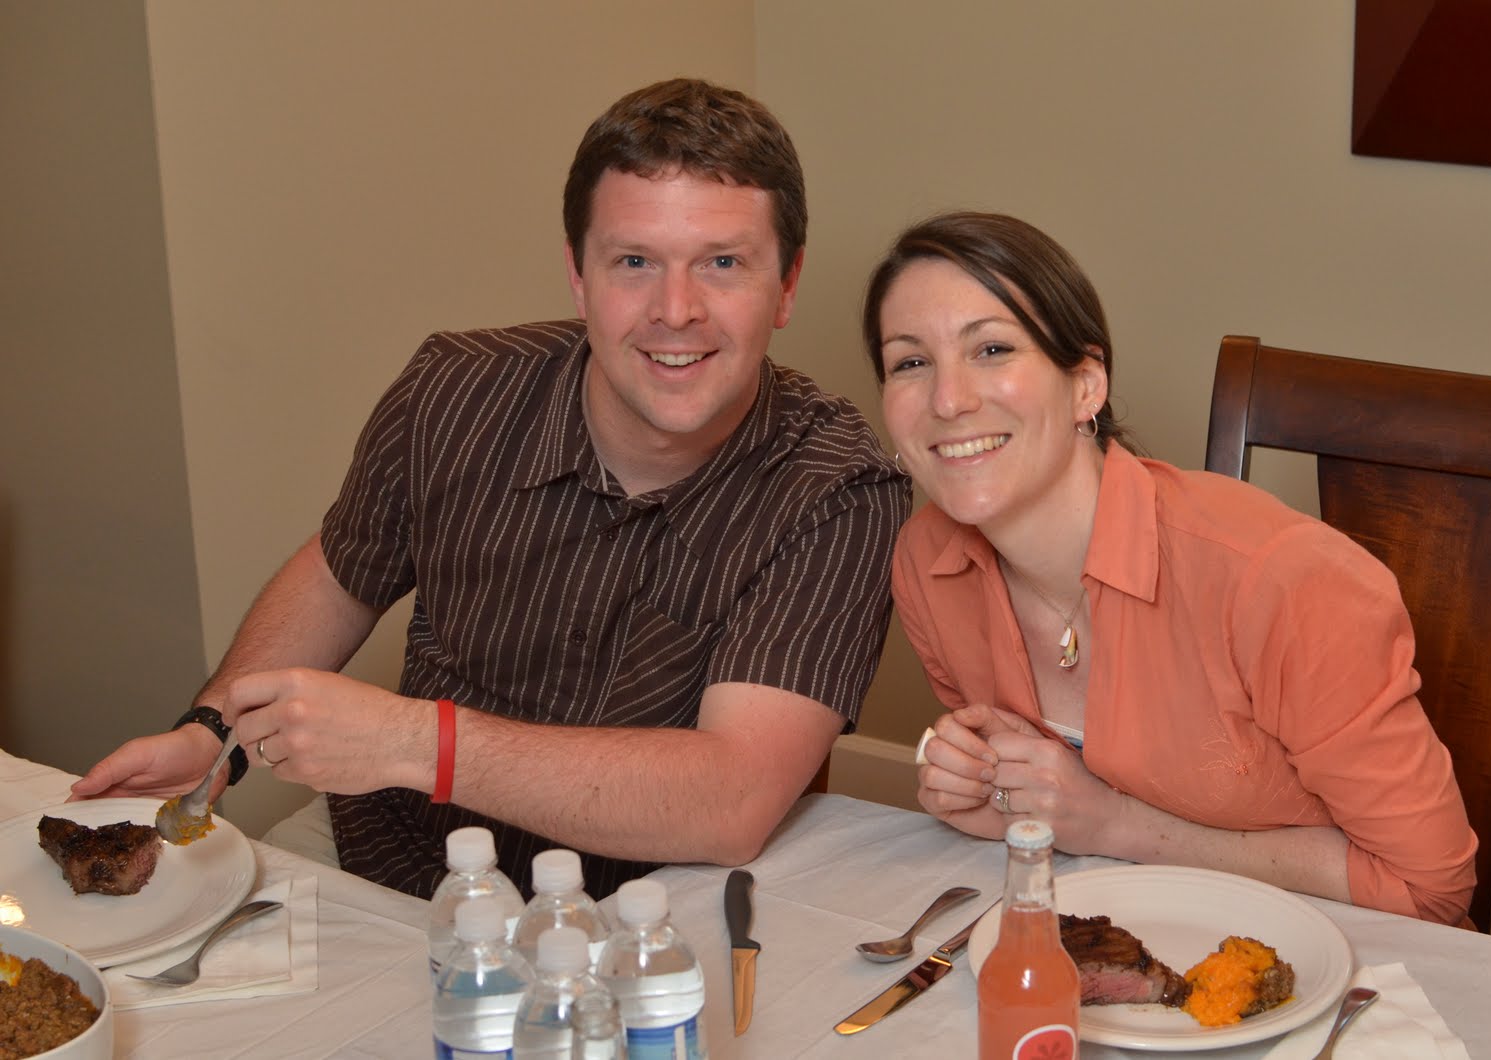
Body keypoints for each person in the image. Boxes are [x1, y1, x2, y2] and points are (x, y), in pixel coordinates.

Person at [72, 79, 910, 901]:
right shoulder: (451, 389)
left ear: (786, 285)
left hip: (645, 906)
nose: (676, 309)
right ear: (579, 276)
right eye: (634, 262)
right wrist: (212, 730)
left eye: (722, 263)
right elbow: (338, 575)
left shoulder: (841, 491)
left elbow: (730, 801)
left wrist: (417, 742)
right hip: (384, 845)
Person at [863, 210, 1476, 925]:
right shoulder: (927, 565)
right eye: (910, 362)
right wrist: (986, 788)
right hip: (1114, 940)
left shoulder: (1281, 581)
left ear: (1086, 385)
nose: (947, 400)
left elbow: (1429, 891)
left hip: (1340, 959)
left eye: (992, 349)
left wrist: (1113, 825)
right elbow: (1039, 807)